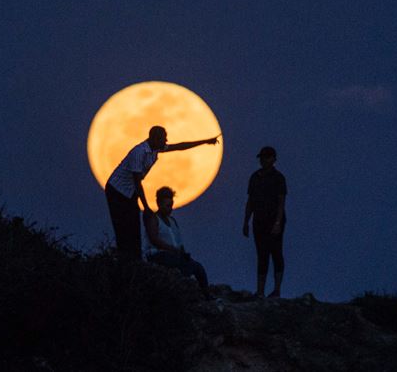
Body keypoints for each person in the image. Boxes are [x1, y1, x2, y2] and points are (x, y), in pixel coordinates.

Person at [105, 126, 219, 260]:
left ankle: (133, 259)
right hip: (117, 191)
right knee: (123, 225)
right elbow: (137, 182)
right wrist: (146, 207)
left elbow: (180, 146)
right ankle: (124, 258)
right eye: (163, 139)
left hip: (130, 193)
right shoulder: (139, 152)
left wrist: (205, 141)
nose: (166, 141)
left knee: (134, 225)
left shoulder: (156, 149)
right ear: (154, 138)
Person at [143, 186, 212, 300]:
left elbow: (179, 242)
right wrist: (171, 249)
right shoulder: (154, 219)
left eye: (171, 205)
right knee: (181, 266)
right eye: (167, 205)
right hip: (157, 255)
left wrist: (183, 253)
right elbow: (153, 239)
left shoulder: (172, 221)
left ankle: (206, 295)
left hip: (174, 254)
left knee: (198, 267)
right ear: (159, 203)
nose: (170, 208)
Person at [242, 146, 287, 298]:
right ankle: (260, 291)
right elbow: (250, 201)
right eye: (262, 157)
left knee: (276, 253)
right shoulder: (255, 177)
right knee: (262, 255)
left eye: (266, 157)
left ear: (273, 159)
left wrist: (277, 223)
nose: (263, 160)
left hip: (274, 221)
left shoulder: (279, 178)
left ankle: (277, 290)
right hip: (259, 221)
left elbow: (281, 202)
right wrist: (246, 221)